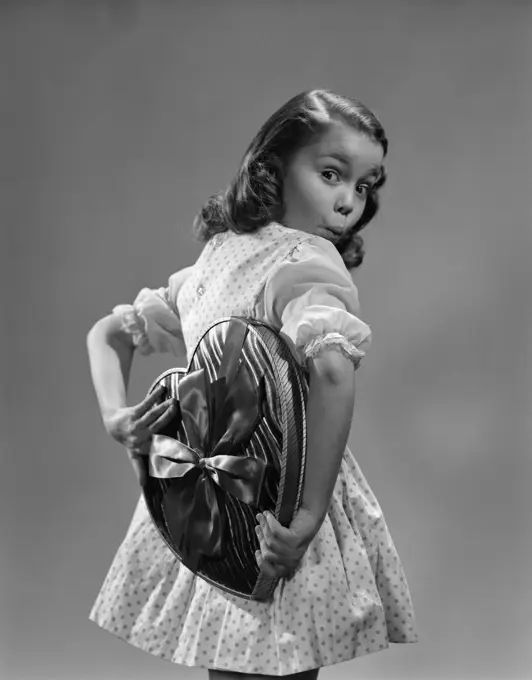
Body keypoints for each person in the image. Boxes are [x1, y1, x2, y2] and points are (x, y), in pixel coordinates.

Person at [86, 89, 419, 679]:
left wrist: (117, 414)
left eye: (365, 186)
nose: (349, 202)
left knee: (237, 664)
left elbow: (108, 333)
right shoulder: (303, 262)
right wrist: (309, 514)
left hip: (206, 504)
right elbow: (334, 369)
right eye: (331, 174)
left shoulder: (212, 261)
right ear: (272, 167)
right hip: (277, 501)